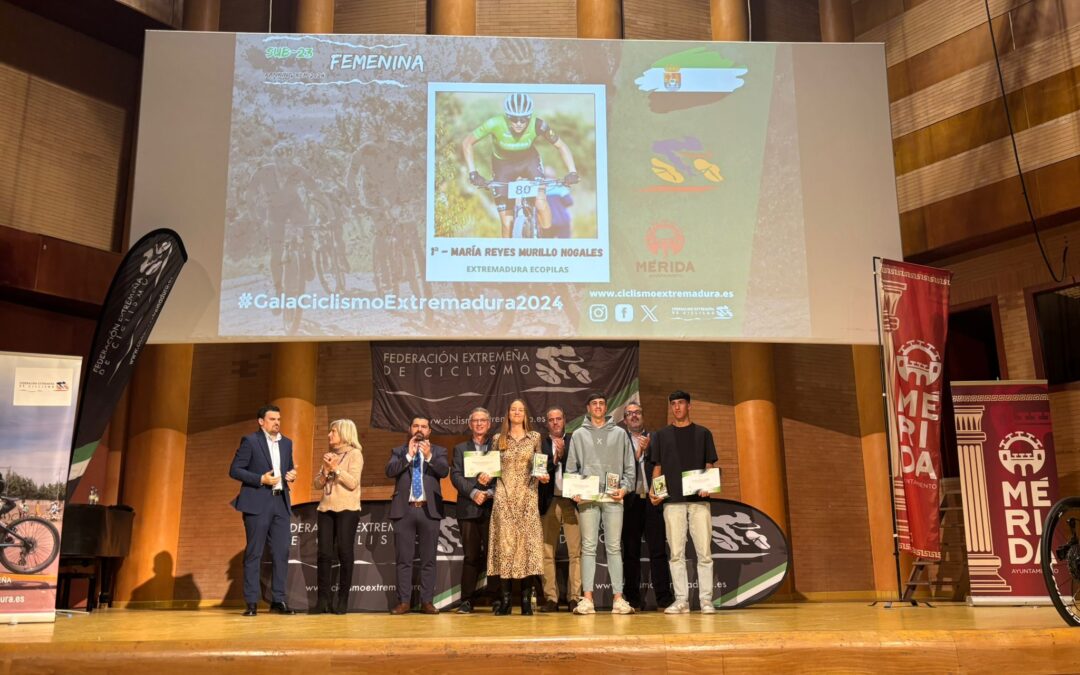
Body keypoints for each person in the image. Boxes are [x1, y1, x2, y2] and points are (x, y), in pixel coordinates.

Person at [462, 93, 580, 238]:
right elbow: (467, 142)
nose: (518, 123)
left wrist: (572, 171)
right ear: (507, 116)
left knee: (541, 205)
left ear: (529, 117)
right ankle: (509, 251)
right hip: (503, 166)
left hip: (529, 163)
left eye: (523, 119)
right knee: (507, 224)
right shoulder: (494, 123)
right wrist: (472, 172)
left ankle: (547, 242)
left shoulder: (538, 125)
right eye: (513, 118)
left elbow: (561, 146)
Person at [649, 390, 720, 615]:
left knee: (704, 552)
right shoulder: (661, 435)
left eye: (681, 403)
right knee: (676, 553)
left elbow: (709, 465)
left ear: (689, 406)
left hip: (699, 500)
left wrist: (708, 485)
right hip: (672, 501)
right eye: (673, 404)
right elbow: (658, 467)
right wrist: (654, 490)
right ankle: (681, 600)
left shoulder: (703, 433)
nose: (677, 407)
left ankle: (706, 600)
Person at [566, 392, 636, 615]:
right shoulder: (578, 435)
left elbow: (630, 469)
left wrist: (624, 488)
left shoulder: (620, 434)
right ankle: (587, 599)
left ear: (606, 407)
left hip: (613, 498)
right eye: (594, 403)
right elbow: (571, 470)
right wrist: (575, 491)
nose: (598, 406)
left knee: (614, 547)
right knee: (588, 547)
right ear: (588, 408)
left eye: (601, 403)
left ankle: (618, 599)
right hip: (588, 499)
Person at [228, 404, 297, 616]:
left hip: (280, 502)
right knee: (254, 552)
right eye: (272, 419)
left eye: (279, 419)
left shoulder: (287, 443)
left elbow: (288, 467)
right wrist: (260, 479)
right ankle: (251, 602)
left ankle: (278, 600)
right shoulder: (250, 441)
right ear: (261, 422)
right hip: (257, 503)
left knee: (281, 552)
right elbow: (235, 470)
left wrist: (291, 475)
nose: (277, 423)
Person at [487, 399, 548, 615]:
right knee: (505, 546)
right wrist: (485, 475)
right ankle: (505, 601)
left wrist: (543, 475)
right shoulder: (498, 439)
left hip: (527, 497)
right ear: (508, 413)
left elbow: (539, 465)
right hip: (503, 498)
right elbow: (492, 468)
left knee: (527, 546)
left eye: (520, 409)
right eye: (513, 409)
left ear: (525, 414)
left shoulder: (535, 438)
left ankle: (525, 600)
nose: (517, 412)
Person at [386, 416, 449, 615]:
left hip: (429, 510)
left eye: (423, 426)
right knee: (403, 560)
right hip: (404, 510)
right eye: (416, 426)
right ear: (410, 429)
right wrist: (408, 455)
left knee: (428, 559)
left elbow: (444, 471)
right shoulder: (399, 451)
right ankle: (404, 602)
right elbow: (390, 471)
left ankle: (426, 601)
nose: (419, 429)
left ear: (429, 431)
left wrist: (428, 456)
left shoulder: (439, 451)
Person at [620, 401, 676, 611]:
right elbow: (619, 469)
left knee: (658, 550)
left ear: (642, 416)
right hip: (631, 501)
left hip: (653, 500)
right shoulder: (621, 440)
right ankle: (632, 599)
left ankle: (664, 598)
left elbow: (664, 467)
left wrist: (649, 450)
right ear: (625, 419)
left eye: (637, 413)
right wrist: (637, 454)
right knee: (631, 552)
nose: (634, 416)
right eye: (630, 414)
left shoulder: (656, 438)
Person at [312, 418, 364, 615]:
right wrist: (325, 471)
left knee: (344, 552)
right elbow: (317, 484)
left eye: (333, 431)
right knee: (324, 554)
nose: (329, 435)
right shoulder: (330, 456)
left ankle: (342, 600)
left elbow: (353, 483)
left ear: (344, 433)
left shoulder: (355, 454)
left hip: (347, 509)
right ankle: (322, 600)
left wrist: (336, 469)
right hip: (326, 509)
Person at [450, 407, 498, 614]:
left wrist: (489, 492)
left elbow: (504, 475)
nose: (479, 424)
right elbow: (456, 476)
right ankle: (467, 601)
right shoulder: (460, 448)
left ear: (489, 424)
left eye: (483, 421)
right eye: (475, 421)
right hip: (468, 508)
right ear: (470, 425)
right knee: (471, 556)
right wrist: (474, 492)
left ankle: (497, 599)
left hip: (491, 507)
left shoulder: (497, 447)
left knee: (493, 556)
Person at [537, 406, 583, 612]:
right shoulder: (540, 443)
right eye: (551, 419)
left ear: (565, 420)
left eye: (558, 418)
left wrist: (563, 455)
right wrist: (555, 459)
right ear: (547, 423)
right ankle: (551, 598)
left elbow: (582, 467)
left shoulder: (575, 440)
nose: (555, 422)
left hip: (571, 501)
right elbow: (538, 469)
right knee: (546, 552)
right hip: (549, 501)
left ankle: (574, 597)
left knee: (576, 552)